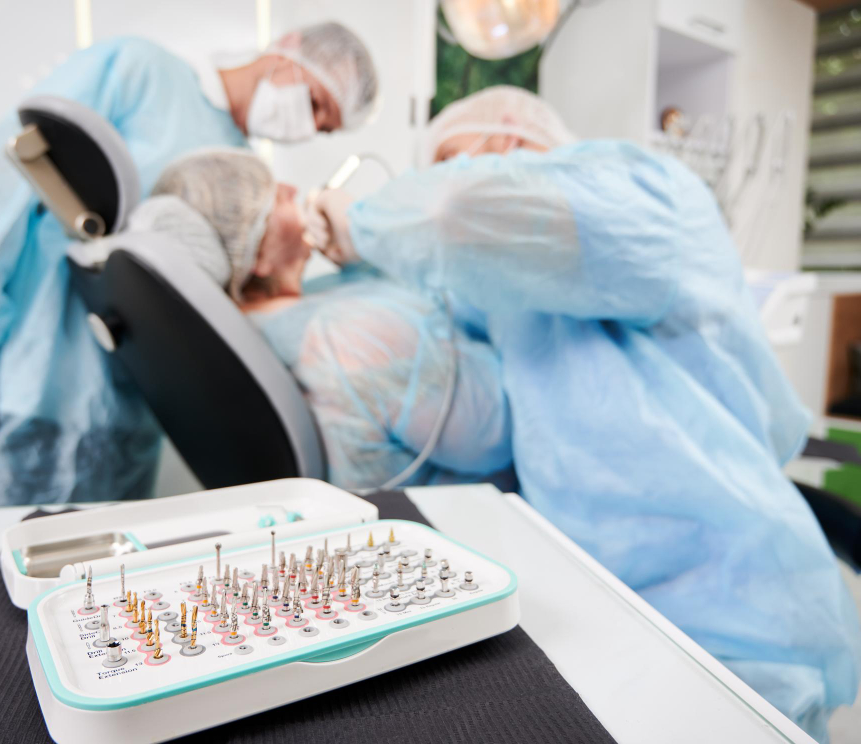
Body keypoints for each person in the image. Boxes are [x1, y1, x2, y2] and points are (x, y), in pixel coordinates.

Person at [307, 86, 861, 742]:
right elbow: (436, 309)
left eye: (451, 160)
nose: (442, 180)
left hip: (734, 604)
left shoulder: (644, 191)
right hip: (604, 599)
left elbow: (452, 212)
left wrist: (360, 223)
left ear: (509, 136)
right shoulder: (509, 286)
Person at [0, 25, 379, 508]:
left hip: (129, 415)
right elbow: (0, 188)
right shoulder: (142, 72)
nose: (310, 126)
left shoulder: (242, 165)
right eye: (315, 103)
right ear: (287, 50)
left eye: (324, 128)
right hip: (30, 378)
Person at [129, 148, 514, 490]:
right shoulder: (351, 337)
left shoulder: (255, 330)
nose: (294, 189)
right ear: (253, 255)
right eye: (276, 196)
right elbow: (494, 435)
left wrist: (367, 253)